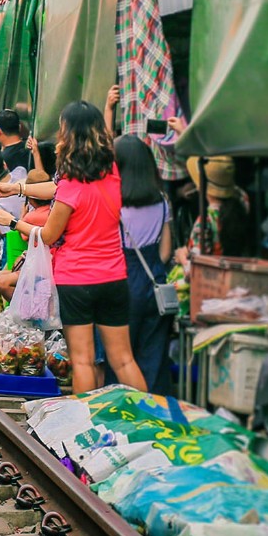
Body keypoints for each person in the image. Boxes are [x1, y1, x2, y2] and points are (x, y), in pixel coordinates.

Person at [0, 100, 148, 396]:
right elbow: (55, 188)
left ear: (68, 136)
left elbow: (49, 235)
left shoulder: (70, 186)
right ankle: (150, 417)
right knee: (124, 359)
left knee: (83, 361)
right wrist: (18, 188)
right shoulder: (113, 172)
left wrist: (13, 221)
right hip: (114, 277)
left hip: (76, 281)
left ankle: (84, 426)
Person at [114, 133, 175, 394]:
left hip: (123, 282)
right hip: (156, 282)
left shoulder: (115, 204)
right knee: (153, 356)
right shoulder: (162, 201)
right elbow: (165, 251)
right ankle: (155, 410)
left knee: (121, 356)